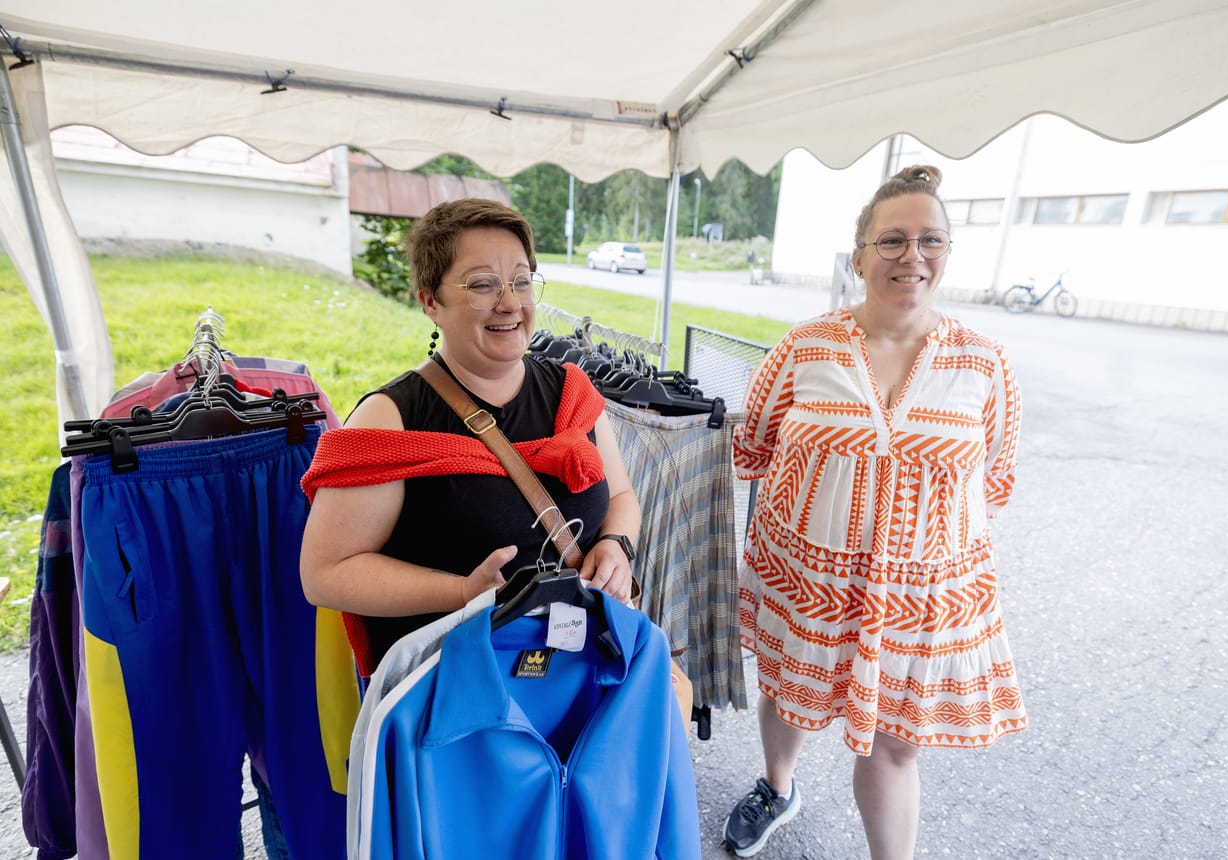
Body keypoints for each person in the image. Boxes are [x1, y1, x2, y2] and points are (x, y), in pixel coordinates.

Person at [721, 165, 1026, 859]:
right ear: (859, 255)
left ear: (947, 253)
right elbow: (753, 445)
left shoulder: (985, 364)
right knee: (788, 697)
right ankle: (778, 785)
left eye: (930, 240)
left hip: (919, 600)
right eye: (891, 241)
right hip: (807, 578)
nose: (911, 257)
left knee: (895, 745)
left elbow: (995, 480)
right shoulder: (805, 346)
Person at [299, 198, 640, 676]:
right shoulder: (390, 418)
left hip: (570, 676)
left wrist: (616, 546)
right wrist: (461, 594)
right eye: (482, 285)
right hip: (447, 694)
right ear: (430, 301)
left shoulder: (572, 394)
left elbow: (622, 494)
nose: (510, 303)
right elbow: (326, 574)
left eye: (521, 281)